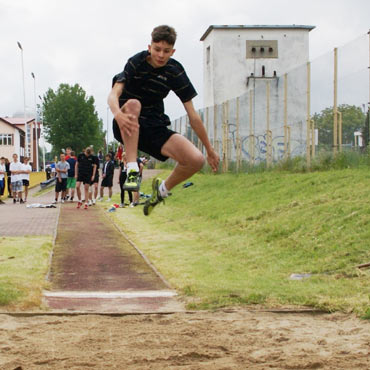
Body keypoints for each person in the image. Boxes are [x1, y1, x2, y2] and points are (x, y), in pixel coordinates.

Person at [108, 25, 219, 216]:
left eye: (166, 51)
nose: (161, 55)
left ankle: (160, 192)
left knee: (195, 160)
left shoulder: (174, 71)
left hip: (153, 126)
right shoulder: (136, 62)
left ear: (172, 51)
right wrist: (118, 114)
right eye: (157, 49)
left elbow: (192, 115)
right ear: (149, 47)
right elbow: (114, 94)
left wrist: (209, 149)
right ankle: (132, 169)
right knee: (134, 104)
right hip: (126, 122)